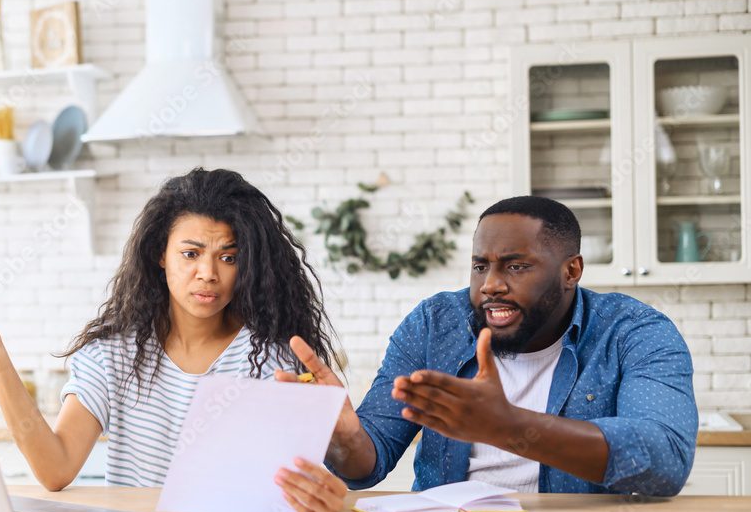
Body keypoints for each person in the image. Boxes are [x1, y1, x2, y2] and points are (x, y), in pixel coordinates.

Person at [0, 167, 348, 512]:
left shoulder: (273, 358)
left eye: (228, 257)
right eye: (190, 254)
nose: (208, 273)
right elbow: (55, 469)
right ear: (159, 256)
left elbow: (296, 487)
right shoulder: (111, 357)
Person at [279, 196, 697, 496]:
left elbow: (664, 461)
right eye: (481, 266)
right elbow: (365, 468)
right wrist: (345, 434)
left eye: (516, 266)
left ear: (572, 271)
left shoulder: (634, 332)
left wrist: (509, 427)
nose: (491, 285)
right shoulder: (433, 324)